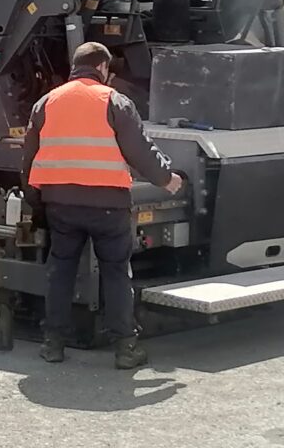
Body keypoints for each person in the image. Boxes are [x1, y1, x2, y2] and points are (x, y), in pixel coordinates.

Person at [21, 42, 183, 369]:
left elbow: (28, 157)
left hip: (61, 204)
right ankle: (125, 347)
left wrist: (34, 199)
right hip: (107, 206)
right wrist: (167, 178)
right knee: (116, 274)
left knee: (61, 270)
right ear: (103, 69)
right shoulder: (114, 101)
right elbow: (139, 149)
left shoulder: (46, 102)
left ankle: (53, 343)